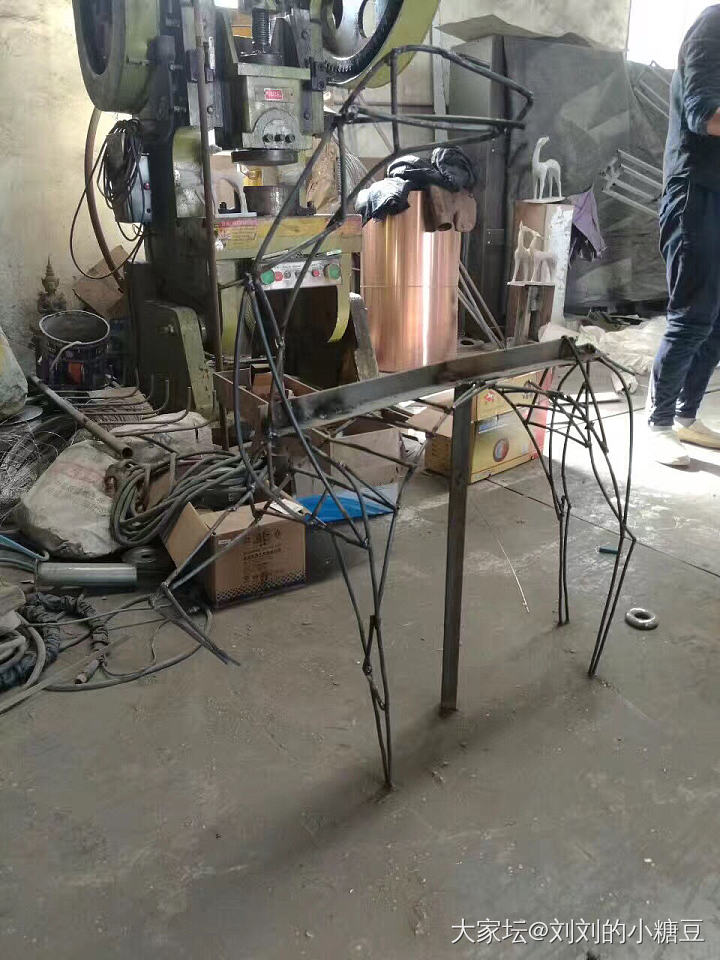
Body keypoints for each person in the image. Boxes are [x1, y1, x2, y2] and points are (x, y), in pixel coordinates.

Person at [649, 4, 720, 466]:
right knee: (693, 315)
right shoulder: (713, 26)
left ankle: (685, 416)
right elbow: (704, 116)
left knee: (718, 321)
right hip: (695, 192)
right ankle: (658, 423)